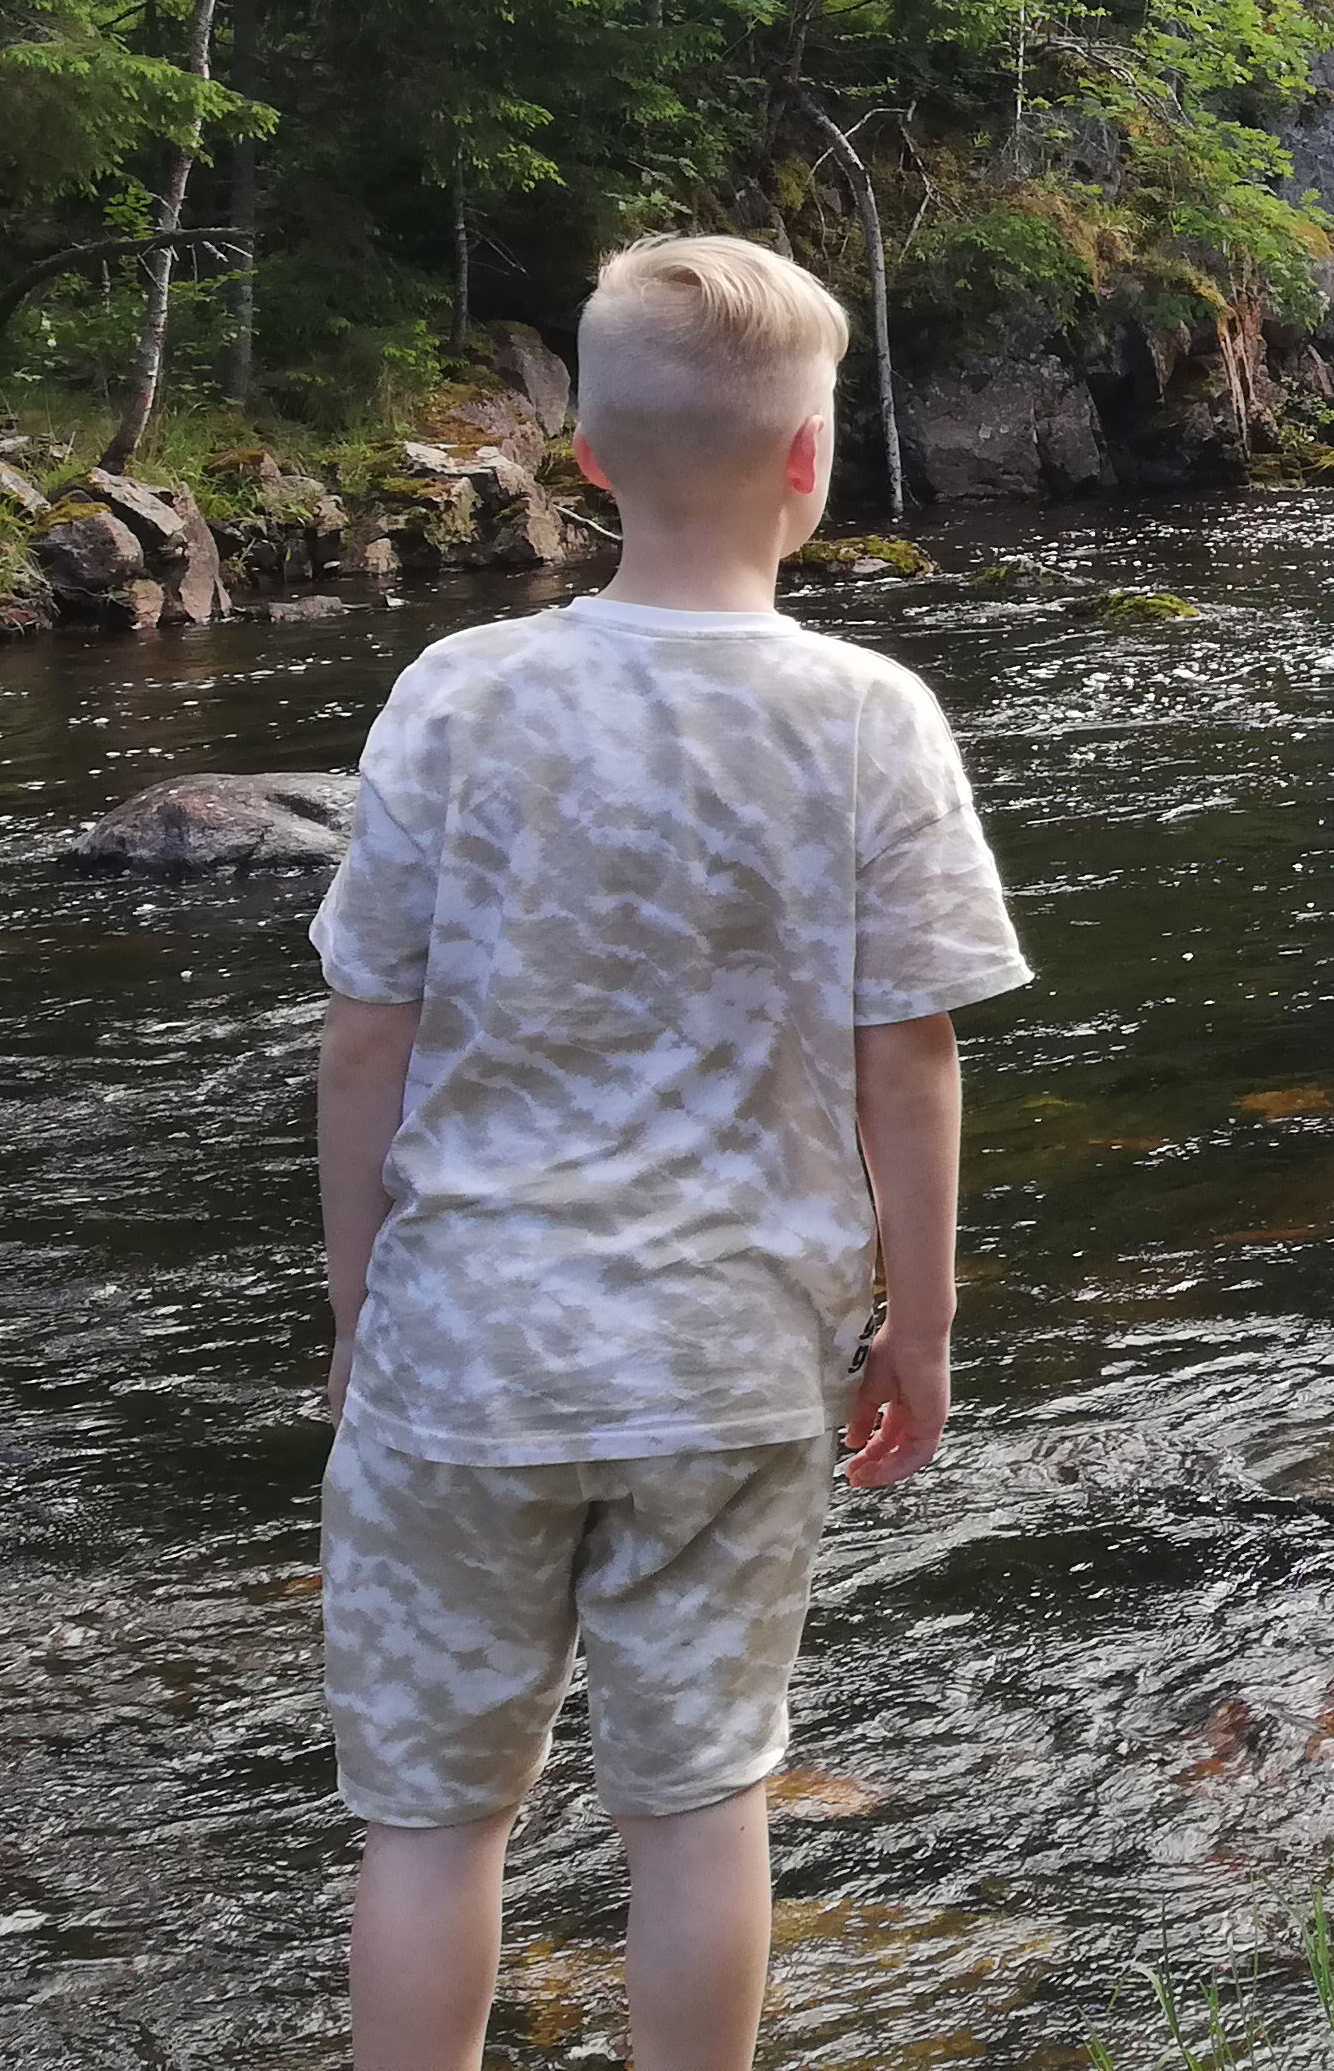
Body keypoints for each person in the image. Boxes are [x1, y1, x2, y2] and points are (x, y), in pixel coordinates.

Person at [310, 234, 1027, 2071]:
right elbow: (913, 1058)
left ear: (594, 458)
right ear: (811, 462)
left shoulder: (458, 691)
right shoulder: (869, 715)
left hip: (463, 1348)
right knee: (700, 1805)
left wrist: (356, 1310)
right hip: (730, 1358)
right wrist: (920, 1330)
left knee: (431, 1820)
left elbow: (367, 1031)